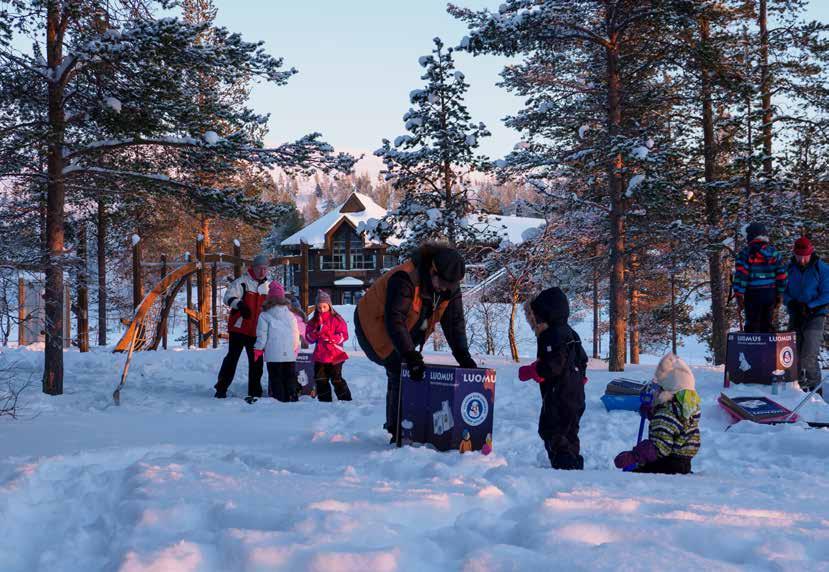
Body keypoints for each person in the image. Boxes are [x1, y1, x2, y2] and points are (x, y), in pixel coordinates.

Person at [355, 243, 477, 444]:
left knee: (407, 368)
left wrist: (464, 357)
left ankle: (408, 426)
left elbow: (455, 323)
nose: (446, 288)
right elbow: (395, 319)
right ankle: (397, 432)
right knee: (398, 369)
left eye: (451, 285)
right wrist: (411, 356)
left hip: (405, 327)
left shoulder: (450, 287)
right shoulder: (405, 278)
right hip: (372, 324)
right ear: (432, 271)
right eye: (443, 283)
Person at [518, 287, 588, 470]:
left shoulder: (551, 335)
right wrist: (580, 377)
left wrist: (534, 370)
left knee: (551, 430)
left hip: (559, 394)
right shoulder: (571, 332)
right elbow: (582, 359)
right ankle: (575, 464)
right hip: (576, 394)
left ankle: (564, 467)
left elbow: (553, 365)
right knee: (570, 431)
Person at [614, 354, 701, 475]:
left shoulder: (665, 415)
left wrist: (634, 456)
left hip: (666, 465)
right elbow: (671, 426)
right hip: (682, 463)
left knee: (636, 474)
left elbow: (660, 447)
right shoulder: (687, 410)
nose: (654, 392)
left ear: (667, 392)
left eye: (657, 388)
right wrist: (653, 412)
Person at [214, 254, 269, 399]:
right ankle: (221, 387)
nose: (262, 272)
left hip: (257, 331)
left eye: (265, 269)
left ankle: (255, 391)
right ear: (253, 268)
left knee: (256, 363)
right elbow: (228, 297)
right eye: (260, 268)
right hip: (239, 329)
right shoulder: (242, 282)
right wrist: (240, 304)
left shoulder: (268, 287)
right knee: (232, 359)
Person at [784, 237, 829, 394]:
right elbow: (783, 291)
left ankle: (815, 390)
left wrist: (810, 306)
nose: (802, 259)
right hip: (796, 313)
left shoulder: (821, 269)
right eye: (799, 256)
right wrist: (791, 302)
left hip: (815, 315)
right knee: (791, 352)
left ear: (811, 253)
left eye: (805, 256)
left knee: (809, 353)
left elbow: (827, 294)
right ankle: (795, 387)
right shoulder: (789, 268)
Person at [733, 222, 788, 333]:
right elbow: (782, 275)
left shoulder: (745, 254)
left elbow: (741, 275)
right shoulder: (774, 253)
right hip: (770, 293)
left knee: (752, 324)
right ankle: (768, 347)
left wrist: (739, 294)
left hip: (752, 293)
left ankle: (753, 347)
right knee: (767, 323)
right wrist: (780, 293)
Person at [253, 281, 300, 402]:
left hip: (273, 355)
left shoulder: (264, 315)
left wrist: (258, 349)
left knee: (276, 378)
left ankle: (279, 400)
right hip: (289, 354)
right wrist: (295, 348)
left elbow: (262, 335)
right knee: (290, 377)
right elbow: (296, 334)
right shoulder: (290, 315)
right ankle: (292, 396)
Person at [306, 291, 352, 402]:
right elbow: (308, 338)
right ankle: (324, 401)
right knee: (321, 379)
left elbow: (344, 335)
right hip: (320, 355)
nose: (322, 309)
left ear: (329, 306)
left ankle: (345, 399)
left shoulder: (337, 319)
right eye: (319, 307)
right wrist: (316, 333)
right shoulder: (313, 321)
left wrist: (331, 337)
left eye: (324, 306)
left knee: (336, 379)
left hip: (335, 355)